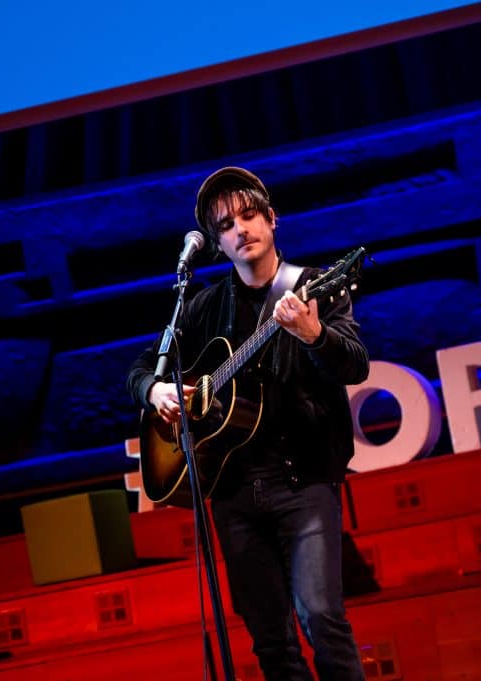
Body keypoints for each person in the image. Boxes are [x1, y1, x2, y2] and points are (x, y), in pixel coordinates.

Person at [126, 167, 369, 680]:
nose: (241, 229)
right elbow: (141, 369)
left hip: (302, 480)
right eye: (226, 225)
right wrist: (157, 390)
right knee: (271, 641)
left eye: (250, 214)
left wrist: (313, 333)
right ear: (216, 243)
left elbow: (354, 364)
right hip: (233, 492)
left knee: (321, 617)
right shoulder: (202, 308)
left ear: (272, 218)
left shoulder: (312, 288)